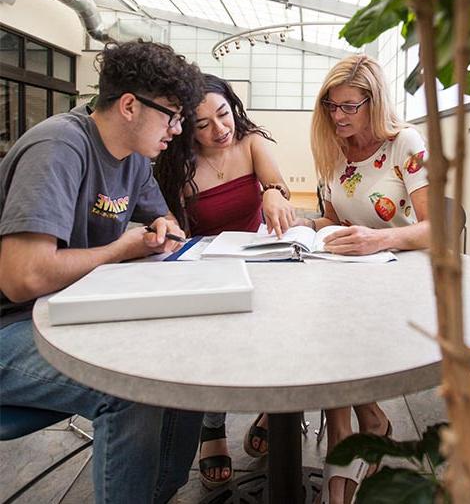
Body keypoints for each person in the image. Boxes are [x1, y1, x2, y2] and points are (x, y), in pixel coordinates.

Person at [0, 40, 206, 504]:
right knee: (130, 386)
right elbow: (23, 278)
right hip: (11, 325)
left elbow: (166, 221)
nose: (177, 129)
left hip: (65, 313)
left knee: (185, 362)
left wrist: (160, 229)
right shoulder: (59, 146)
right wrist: (120, 249)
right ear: (130, 105)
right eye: (171, 115)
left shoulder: (134, 160)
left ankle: (159, 492)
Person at [155, 73, 296, 489]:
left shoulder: (251, 142)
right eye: (203, 124)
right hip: (208, 267)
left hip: (258, 258)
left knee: (283, 322)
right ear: (185, 128)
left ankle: (278, 410)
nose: (220, 129)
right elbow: (174, 227)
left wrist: (272, 191)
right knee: (212, 341)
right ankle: (212, 426)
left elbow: (277, 185)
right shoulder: (178, 164)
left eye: (224, 114)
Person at [308, 54, 430, 504]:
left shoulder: (405, 143)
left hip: (399, 275)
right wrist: (309, 228)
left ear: (373, 103)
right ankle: (362, 425)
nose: (337, 116)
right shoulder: (332, 148)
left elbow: (437, 228)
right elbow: (334, 218)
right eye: (330, 106)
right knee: (323, 319)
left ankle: (348, 436)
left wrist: (378, 241)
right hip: (351, 274)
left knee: (332, 330)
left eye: (348, 107)